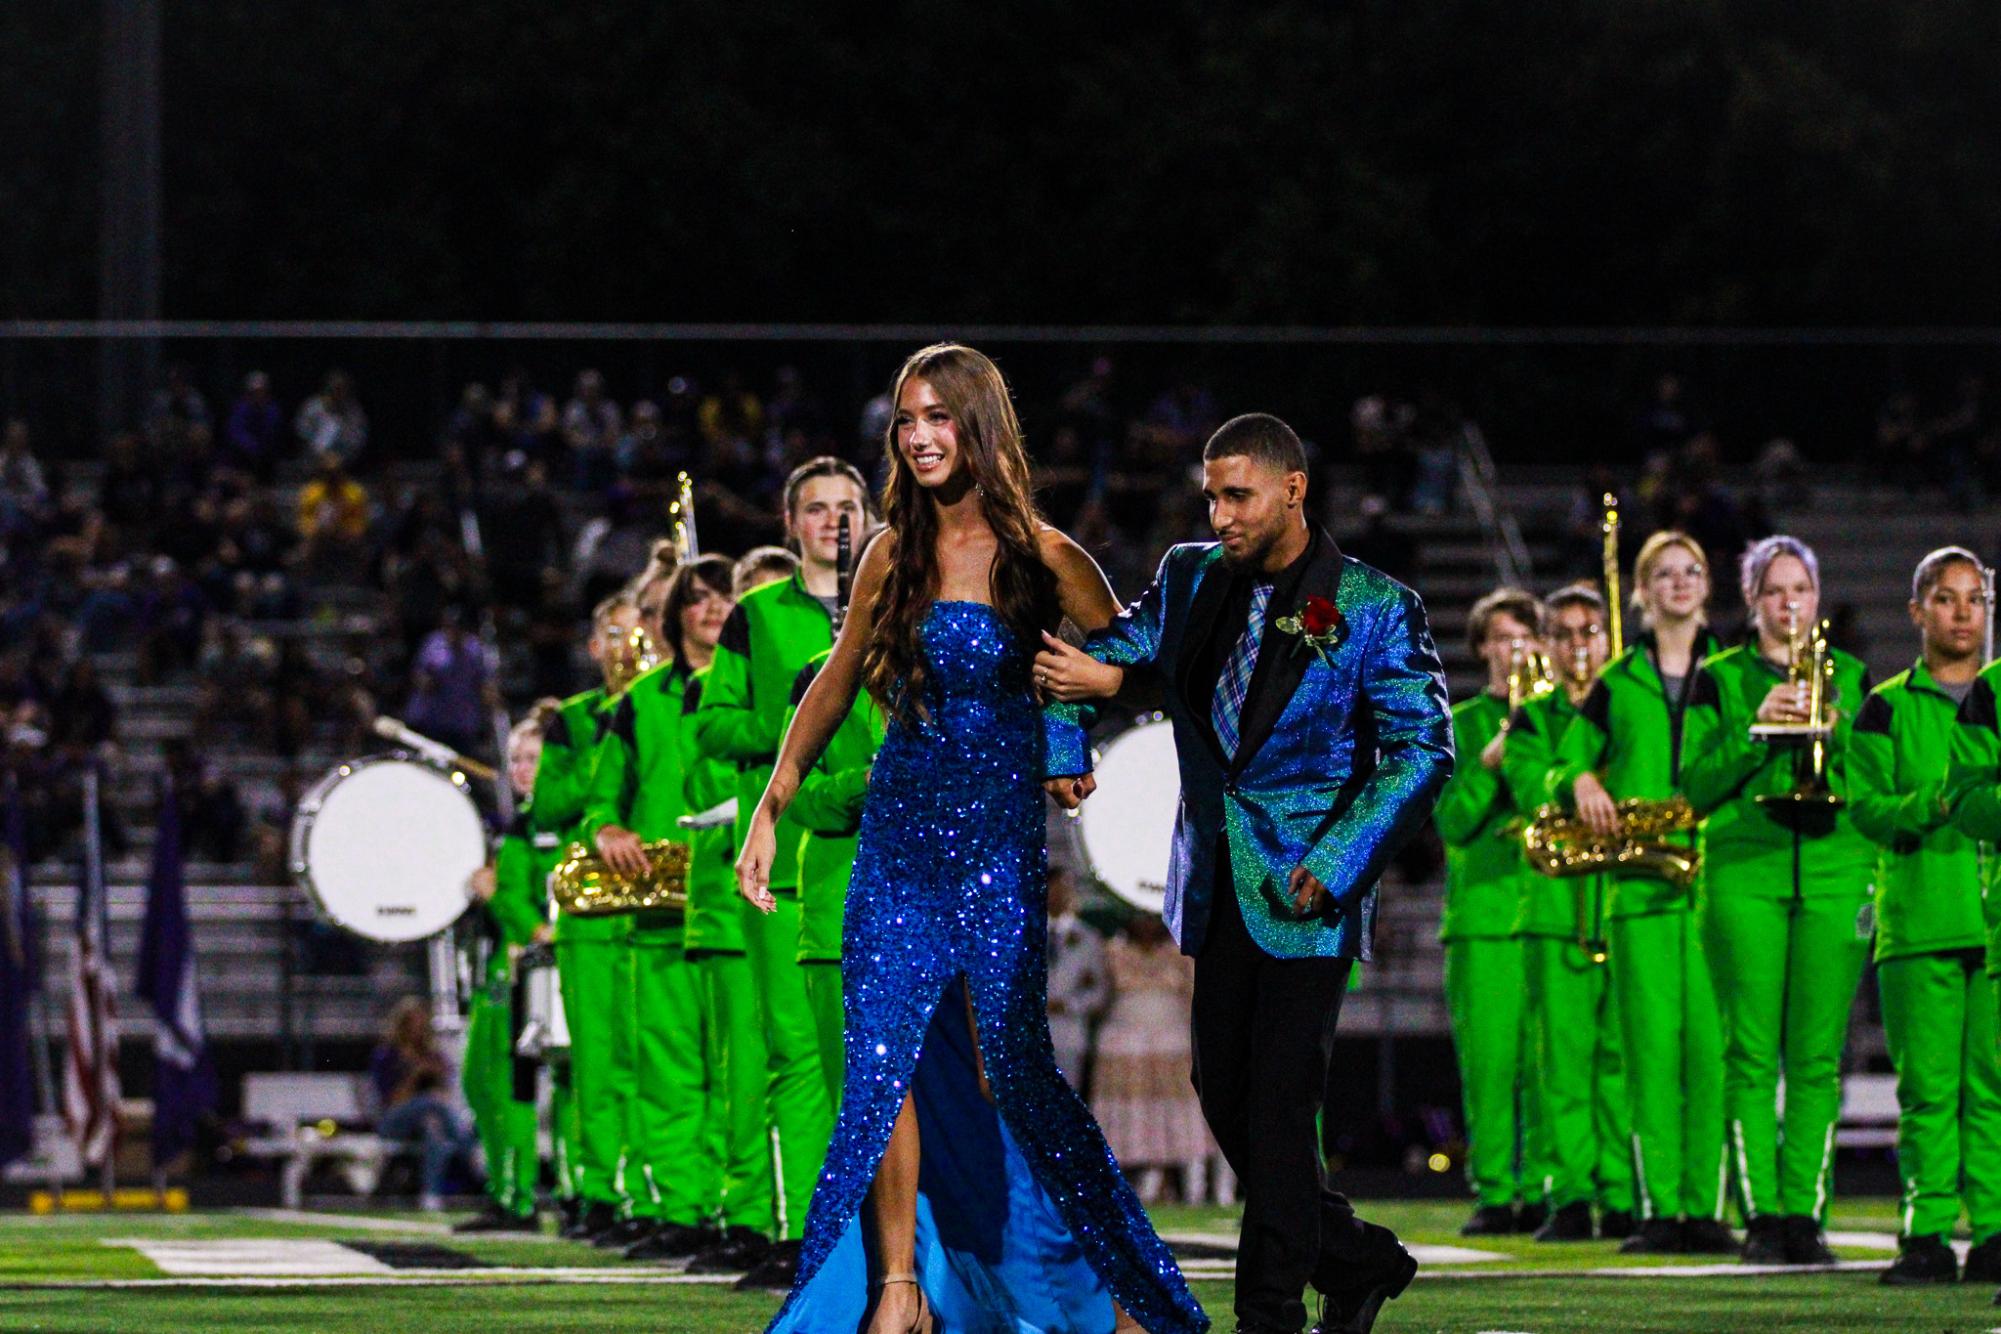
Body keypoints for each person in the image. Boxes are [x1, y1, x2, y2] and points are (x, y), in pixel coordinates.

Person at [738, 344, 1206, 1334]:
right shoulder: (887, 553)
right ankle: (898, 1286)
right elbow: (835, 679)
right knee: (883, 1056)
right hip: (899, 836)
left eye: (939, 416)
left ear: (979, 425)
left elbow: (1137, 661)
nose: (918, 435)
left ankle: (1124, 1282)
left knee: (1014, 1070)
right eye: (907, 418)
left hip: (996, 842)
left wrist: (1075, 727)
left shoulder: (1045, 553)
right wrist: (774, 803)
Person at [1037, 411, 1450, 1334]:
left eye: (1237, 495)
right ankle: (1360, 1261)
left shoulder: (1375, 605)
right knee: (1221, 1094)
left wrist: (1339, 861)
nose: (1218, 513)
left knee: (1276, 1106)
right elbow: (1096, 655)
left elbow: (1422, 750)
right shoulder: (1190, 574)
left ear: (1293, 490)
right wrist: (1066, 743)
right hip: (1214, 883)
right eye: (1210, 495)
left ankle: (1268, 1316)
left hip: (1310, 895)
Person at [693, 457, 872, 1280]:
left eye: (848, 507)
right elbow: (715, 728)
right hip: (797, 865)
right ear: (789, 522)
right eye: (816, 510)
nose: (834, 523)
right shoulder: (757, 617)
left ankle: (890, 1238)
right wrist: (802, 717)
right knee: (799, 1062)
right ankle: (811, 1235)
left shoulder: (898, 604)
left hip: (887, 863)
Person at [1680, 536, 1873, 1265]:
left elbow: (1870, 776)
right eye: (1774, 591)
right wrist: (1755, 729)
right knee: (1752, 1054)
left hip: (1833, 869)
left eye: (1801, 591)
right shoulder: (1719, 678)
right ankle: (1762, 1215)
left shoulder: (1851, 675)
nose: (1788, 604)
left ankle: (1807, 1214)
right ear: (1752, 600)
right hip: (1742, 874)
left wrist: (1837, 727)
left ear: (1816, 600)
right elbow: (1692, 789)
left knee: (1818, 1058)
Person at [1550, 530, 1731, 1255]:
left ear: (1707, 585)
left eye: (1692, 571)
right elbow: (1563, 761)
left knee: (1713, 1054)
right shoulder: (1615, 680)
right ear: (1643, 592)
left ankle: (1706, 1206)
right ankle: (1660, 1209)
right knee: (1649, 1053)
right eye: (1664, 574)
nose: (1679, 583)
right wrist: (1583, 779)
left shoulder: (1733, 672)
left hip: (1721, 888)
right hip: (1638, 887)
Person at [1853, 547, 2001, 1286]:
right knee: (1926, 1092)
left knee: (1994, 1086)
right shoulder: (1882, 706)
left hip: (1993, 926)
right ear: (1916, 611)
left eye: (1974, 599)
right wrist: (1936, 803)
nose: (1962, 612)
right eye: (1946, 599)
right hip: (1918, 922)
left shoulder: (1998, 694)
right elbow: (1865, 811)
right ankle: (1927, 1232)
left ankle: (1997, 1229)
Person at [577, 560, 716, 1261]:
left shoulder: (753, 687)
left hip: (732, 903)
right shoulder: (635, 704)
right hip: (660, 912)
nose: (708, 612)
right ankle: (683, 1207)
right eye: (682, 603)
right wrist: (608, 829)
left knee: (741, 1073)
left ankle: (742, 1209)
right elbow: (601, 799)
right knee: (666, 1072)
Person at [1497, 583, 1634, 1242]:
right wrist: (1573, 778)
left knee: (1621, 1060)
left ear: (1607, 641)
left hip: (1622, 903)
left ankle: (1624, 1189)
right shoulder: (1531, 716)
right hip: (1554, 907)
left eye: (1590, 633)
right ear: (1546, 645)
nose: (1579, 646)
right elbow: (1530, 791)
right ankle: (1571, 1194)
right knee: (1562, 1066)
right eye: (1565, 634)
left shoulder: (1628, 708)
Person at [671, 557, 778, 1275]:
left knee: (783, 1072)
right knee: (737, 1075)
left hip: (815, 882)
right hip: (729, 898)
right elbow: (697, 773)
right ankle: (745, 1213)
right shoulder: (690, 695)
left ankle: (784, 1217)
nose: (719, 610)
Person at [1434, 586, 1549, 1237]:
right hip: (1481, 917)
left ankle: (1540, 1187)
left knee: (1543, 1064)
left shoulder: (1558, 718)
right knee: (1489, 1065)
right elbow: (1450, 821)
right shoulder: (1461, 721)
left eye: (1526, 639)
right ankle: (1495, 1190)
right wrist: (1491, 758)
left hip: (1546, 910)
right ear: (1481, 648)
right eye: (1502, 639)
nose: (1515, 651)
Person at [537, 594, 643, 1241]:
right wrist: (604, 759)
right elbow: (547, 802)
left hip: (657, 904)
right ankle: (603, 1191)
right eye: (613, 634)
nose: (626, 646)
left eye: (636, 633)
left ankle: (652, 1189)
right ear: (592, 647)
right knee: (598, 1065)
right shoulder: (575, 720)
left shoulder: (667, 700)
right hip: (591, 913)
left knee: (654, 1062)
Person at [455, 712, 555, 1233]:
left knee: (513, 1084)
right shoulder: (523, 822)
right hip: (502, 969)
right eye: (515, 758)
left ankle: (518, 1198)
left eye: (532, 758)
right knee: (481, 1080)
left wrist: (507, 905)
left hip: (528, 968)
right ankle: (504, 1189)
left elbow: (537, 901)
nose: (520, 768)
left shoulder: (548, 822)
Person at [1092, 912, 1217, 1206]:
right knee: (1125, 1117)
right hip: (1124, 1049)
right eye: (1140, 918)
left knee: (1181, 1115)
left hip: (1172, 1047)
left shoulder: (1182, 952)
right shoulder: (1111, 950)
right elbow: (1097, 995)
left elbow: (1196, 998)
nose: (1146, 926)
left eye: (1151, 918)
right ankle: (1118, 1195)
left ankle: (1194, 1192)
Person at [371, 998, 473, 1212]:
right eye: (411, 1023)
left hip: (426, 1123)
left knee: (434, 1132)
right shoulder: (387, 1055)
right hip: (393, 1122)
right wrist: (415, 1075)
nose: (417, 1028)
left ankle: (430, 1195)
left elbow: (446, 1097)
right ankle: (471, 1155)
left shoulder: (432, 1055)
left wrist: (436, 1076)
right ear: (402, 1025)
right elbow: (392, 1102)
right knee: (430, 1103)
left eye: (420, 1023)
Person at [1046, 866, 1111, 1093]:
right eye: (1052, 889)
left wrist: (1067, 1005)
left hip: (1070, 1036)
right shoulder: (1023, 935)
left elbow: (1100, 993)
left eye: (1064, 888)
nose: (1057, 895)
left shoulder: (1088, 938)